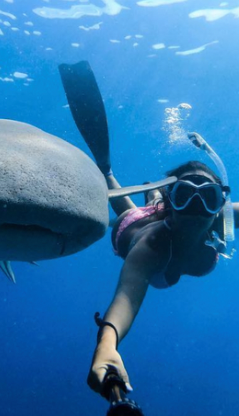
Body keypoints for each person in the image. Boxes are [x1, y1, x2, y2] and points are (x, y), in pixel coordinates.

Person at [89, 161, 235, 396]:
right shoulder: (151, 246)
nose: (195, 208)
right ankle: (109, 173)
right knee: (129, 213)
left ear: (220, 205)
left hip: (162, 214)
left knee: (151, 207)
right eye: (184, 195)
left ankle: (153, 194)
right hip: (131, 229)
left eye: (208, 197)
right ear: (172, 201)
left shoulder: (222, 217)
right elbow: (126, 296)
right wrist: (107, 344)